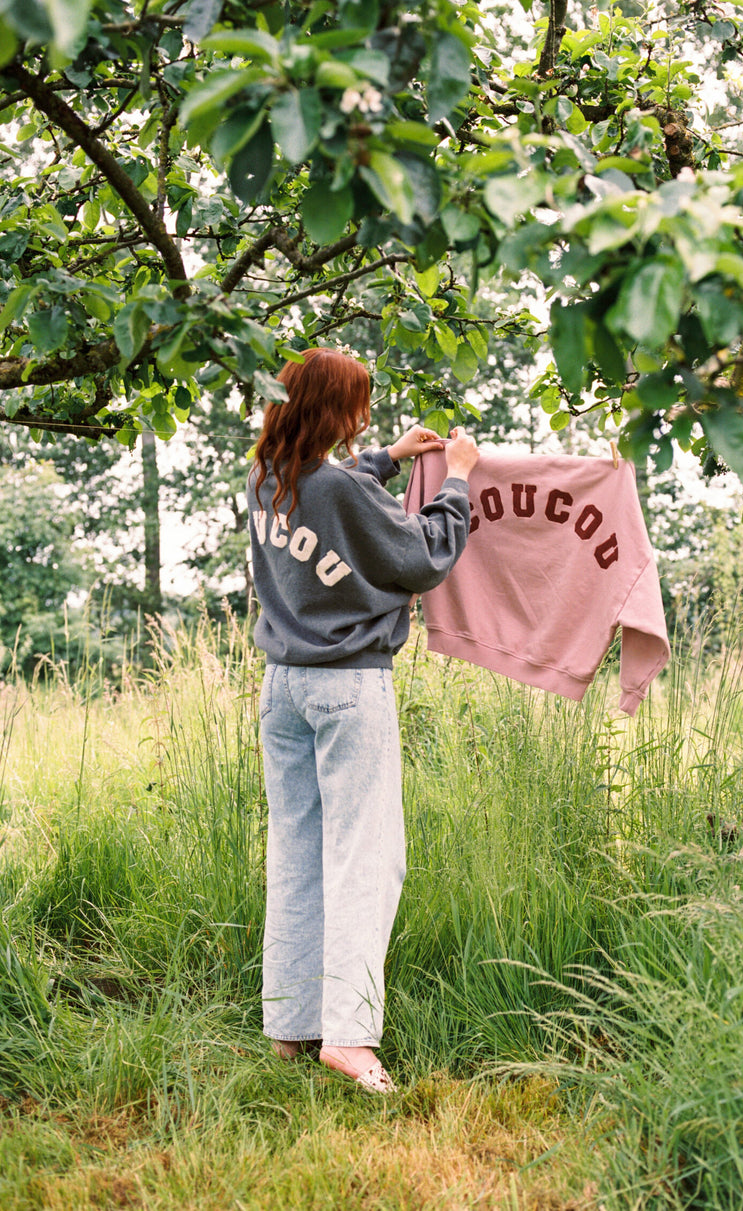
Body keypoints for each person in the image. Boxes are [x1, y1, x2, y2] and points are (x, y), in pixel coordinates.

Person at [248, 347, 479, 1092]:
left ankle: (288, 1023)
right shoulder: (340, 491)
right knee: (366, 858)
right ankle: (349, 1037)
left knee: (298, 853)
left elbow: (335, 490)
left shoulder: (264, 477)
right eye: (358, 407)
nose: (366, 419)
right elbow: (423, 554)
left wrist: (384, 456)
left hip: (281, 687)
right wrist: (462, 479)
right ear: (328, 411)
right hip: (349, 688)